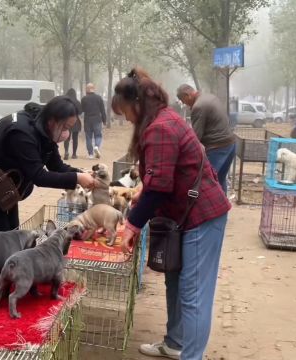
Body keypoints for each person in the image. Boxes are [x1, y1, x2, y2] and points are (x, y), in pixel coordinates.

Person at [115, 69, 231, 360]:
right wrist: (144, 186)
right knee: (175, 281)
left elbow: (160, 188)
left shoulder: (160, 128)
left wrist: (131, 225)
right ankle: (175, 343)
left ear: (138, 104)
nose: (126, 118)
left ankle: (191, 355)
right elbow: (159, 176)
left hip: (202, 217)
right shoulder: (161, 120)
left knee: (193, 296)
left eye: (125, 111)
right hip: (182, 216)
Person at [0, 96, 96, 234]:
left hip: (5, 185)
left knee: (12, 232)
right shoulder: (21, 133)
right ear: (53, 121)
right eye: (66, 127)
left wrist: (81, 173)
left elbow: (56, 166)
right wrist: (77, 178)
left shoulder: (45, 131)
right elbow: (39, 176)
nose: (67, 133)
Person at [177, 84, 236, 194]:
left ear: (187, 95)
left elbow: (196, 138)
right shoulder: (210, 97)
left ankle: (206, 210)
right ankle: (222, 211)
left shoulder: (198, 106)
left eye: (184, 101)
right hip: (230, 145)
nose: (186, 105)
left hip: (217, 148)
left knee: (206, 183)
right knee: (219, 180)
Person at [81, 83, 106, 159]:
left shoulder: (84, 99)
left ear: (87, 89)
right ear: (93, 89)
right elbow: (102, 110)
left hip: (87, 120)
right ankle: (96, 146)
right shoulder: (99, 98)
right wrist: (104, 120)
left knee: (88, 137)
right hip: (97, 119)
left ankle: (90, 154)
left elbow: (82, 110)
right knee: (98, 135)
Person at [63, 88, 82, 160]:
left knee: (66, 138)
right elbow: (80, 112)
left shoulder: (65, 102)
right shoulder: (77, 102)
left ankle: (66, 151)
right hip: (76, 121)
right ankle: (74, 154)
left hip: (66, 121)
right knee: (75, 138)